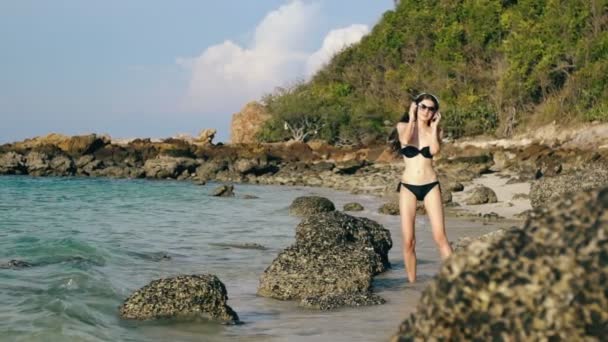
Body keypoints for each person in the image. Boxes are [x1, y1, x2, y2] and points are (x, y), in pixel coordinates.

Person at [389, 92, 453, 283]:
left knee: (440, 237)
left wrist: (434, 128)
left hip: (430, 185)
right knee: (409, 241)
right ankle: (412, 286)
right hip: (408, 187)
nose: (427, 111)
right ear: (416, 107)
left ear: (435, 112)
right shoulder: (402, 126)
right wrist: (411, 117)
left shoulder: (436, 130)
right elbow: (407, 140)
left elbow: (434, 151)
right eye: (423, 106)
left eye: (431, 108)